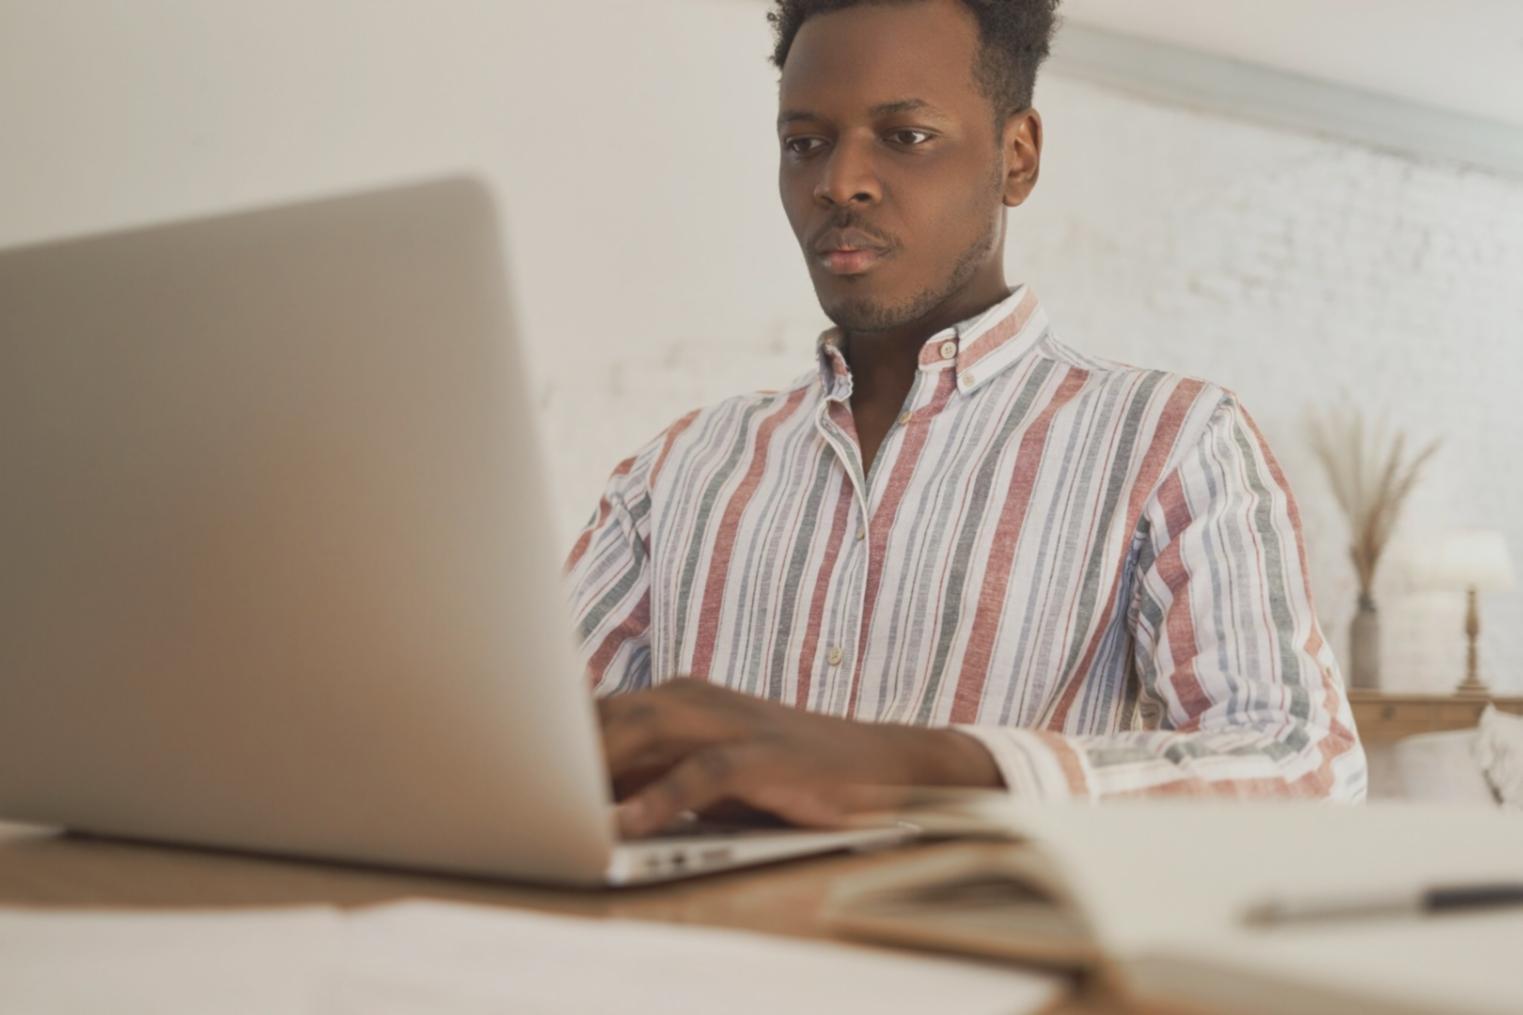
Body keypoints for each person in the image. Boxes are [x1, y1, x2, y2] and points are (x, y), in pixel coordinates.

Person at [566, 0, 1367, 839]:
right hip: (687, 953)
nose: (838, 182)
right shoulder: (678, 468)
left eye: (905, 136)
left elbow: (1304, 769)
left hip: (979, 959)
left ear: (1015, 158)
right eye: (805, 142)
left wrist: (920, 768)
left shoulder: (1171, 441)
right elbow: (513, 748)